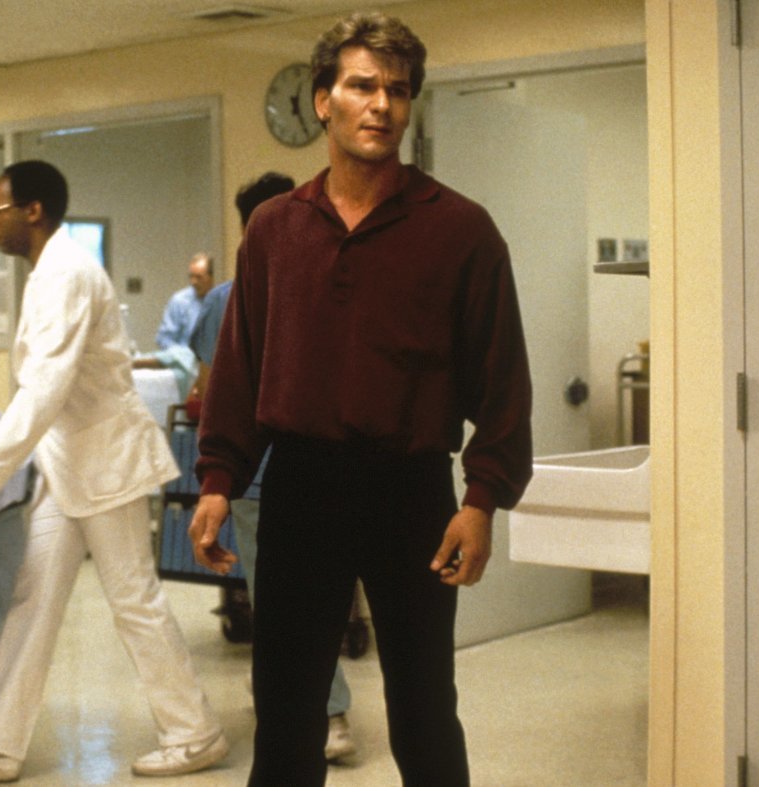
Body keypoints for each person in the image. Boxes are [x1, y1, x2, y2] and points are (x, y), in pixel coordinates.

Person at [189, 12, 533, 787]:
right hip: (300, 488)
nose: (381, 104)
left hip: (410, 492)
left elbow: (504, 383)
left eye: (398, 90)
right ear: (324, 101)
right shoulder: (275, 230)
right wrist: (217, 480)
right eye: (362, 86)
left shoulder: (462, 231)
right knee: (285, 715)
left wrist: (481, 500)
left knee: (423, 709)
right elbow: (240, 370)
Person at [0, 160, 228, 782]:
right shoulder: (50, 271)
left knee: (134, 601)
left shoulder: (66, 273)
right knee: (33, 599)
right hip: (69, 464)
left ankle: (195, 734)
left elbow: (46, 386)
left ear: (33, 211)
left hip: (103, 464)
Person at [188, 171, 359, 763]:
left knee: (285, 605)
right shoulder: (335, 280)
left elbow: (209, 391)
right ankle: (294, 698)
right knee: (319, 597)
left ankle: (330, 716)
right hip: (332, 466)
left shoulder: (225, 299)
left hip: (258, 476)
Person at [155, 253, 213, 349]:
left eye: (199, 277)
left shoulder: (219, 301)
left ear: (210, 278)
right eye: (191, 276)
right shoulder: (179, 301)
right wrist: (183, 354)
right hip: (185, 356)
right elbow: (164, 339)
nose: (193, 282)